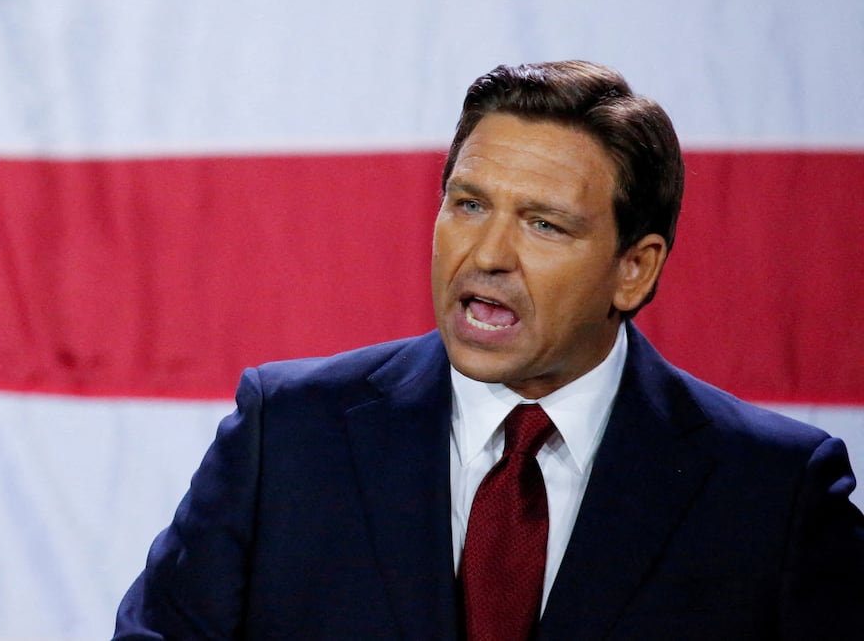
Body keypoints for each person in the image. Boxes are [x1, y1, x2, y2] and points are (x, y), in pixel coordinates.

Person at [114, 61, 864, 639]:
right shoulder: (287, 434)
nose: (488, 254)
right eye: (468, 204)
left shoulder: (775, 493)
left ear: (634, 269)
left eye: (545, 224)